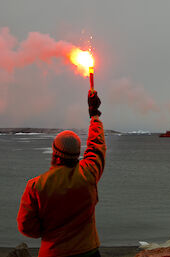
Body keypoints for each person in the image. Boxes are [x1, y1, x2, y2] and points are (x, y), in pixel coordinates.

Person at [17, 90, 106, 257]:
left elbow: (25, 226)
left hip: (53, 252)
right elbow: (97, 146)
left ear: (54, 152)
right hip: (88, 251)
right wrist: (94, 115)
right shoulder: (89, 174)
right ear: (78, 153)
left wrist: (48, 232)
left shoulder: (36, 186)